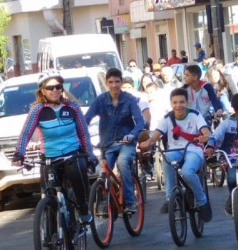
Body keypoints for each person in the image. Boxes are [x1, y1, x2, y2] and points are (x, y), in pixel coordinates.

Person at [12, 70, 96, 237]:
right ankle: (50, 244)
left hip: (72, 153)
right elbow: (26, 132)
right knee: (49, 197)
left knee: (76, 171)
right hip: (50, 158)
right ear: (42, 90)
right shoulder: (37, 110)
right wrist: (19, 154)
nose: (55, 90)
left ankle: (83, 208)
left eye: (58, 86)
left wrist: (90, 155)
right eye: (50, 87)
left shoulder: (72, 107)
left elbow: (83, 133)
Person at [140, 88, 212, 221]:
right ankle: (169, 198)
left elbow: (205, 131)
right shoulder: (166, 118)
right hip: (174, 150)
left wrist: (205, 136)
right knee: (167, 161)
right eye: (175, 102)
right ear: (171, 103)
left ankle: (202, 201)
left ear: (187, 102)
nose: (178, 105)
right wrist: (148, 142)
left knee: (187, 172)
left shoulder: (195, 115)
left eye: (181, 102)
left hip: (193, 149)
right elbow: (156, 134)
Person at [84, 67, 145, 215]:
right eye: (110, 82)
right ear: (106, 83)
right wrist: (81, 136)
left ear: (121, 82)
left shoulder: (129, 99)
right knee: (102, 173)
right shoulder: (100, 100)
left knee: (122, 162)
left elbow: (140, 122)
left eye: (117, 81)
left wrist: (132, 135)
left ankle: (130, 202)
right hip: (107, 144)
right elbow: (85, 120)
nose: (114, 85)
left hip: (126, 143)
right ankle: (106, 201)